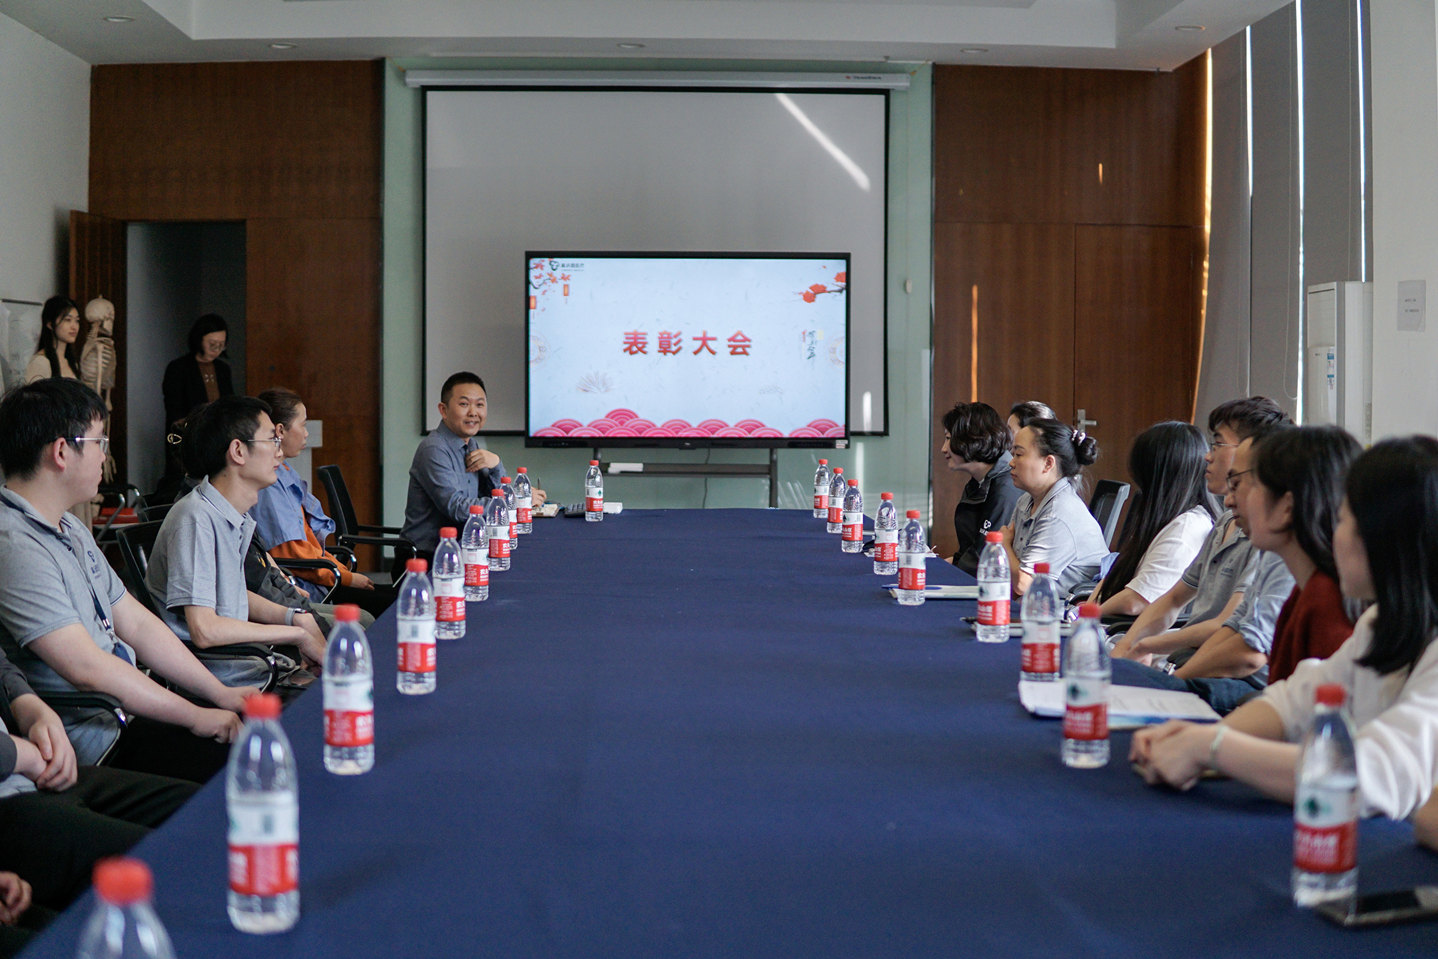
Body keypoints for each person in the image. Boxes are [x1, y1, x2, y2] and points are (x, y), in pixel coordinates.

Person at [1131, 437, 1438, 830]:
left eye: (1344, 520)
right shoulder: (1381, 622)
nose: (1336, 533)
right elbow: (1295, 701)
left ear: (1385, 535)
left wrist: (1213, 747)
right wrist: (1196, 739)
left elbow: (1368, 776)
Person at [0, 379, 252, 782]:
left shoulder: (69, 526)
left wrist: (217, 693)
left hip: (128, 710)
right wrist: (195, 716)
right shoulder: (14, 544)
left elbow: (136, 624)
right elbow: (86, 668)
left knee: (253, 739)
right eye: (99, 442)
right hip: (91, 737)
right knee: (242, 765)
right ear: (61, 452)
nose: (106, 456)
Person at [0, 648, 196, 956]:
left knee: (198, 815)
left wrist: (33, 708)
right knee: (170, 867)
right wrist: (24, 756)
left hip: (36, 771)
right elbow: (86, 667)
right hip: (15, 790)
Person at [146, 395, 328, 680]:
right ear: (238, 451)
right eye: (272, 439)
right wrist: (295, 634)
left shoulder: (229, 513)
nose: (279, 451)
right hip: (227, 681)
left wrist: (294, 618)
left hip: (252, 664)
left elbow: (227, 594)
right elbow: (204, 630)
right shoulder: (196, 518)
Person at [1112, 397, 1290, 665]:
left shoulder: (1266, 539)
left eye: (1217, 444)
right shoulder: (1224, 524)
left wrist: (1146, 646)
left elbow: (1230, 632)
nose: (1207, 456)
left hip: (1213, 670)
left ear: (1251, 451)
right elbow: (1173, 599)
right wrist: (1127, 646)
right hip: (1188, 661)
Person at [251, 388, 394, 617]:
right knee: (393, 606)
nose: (306, 433)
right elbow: (294, 553)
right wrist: (346, 577)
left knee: (395, 599)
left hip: (322, 576)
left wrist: (342, 572)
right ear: (280, 431)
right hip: (309, 586)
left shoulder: (284, 471)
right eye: (303, 425)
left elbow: (308, 545)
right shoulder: (270, 484)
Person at [402, 371, 547, 563]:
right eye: (464, 404)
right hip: (428, 559)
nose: (473, 412)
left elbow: (492, 494)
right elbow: (456, 508)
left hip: (464, 550)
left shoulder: (471, 444)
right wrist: (514, 502)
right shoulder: (434, 449)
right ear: (443, 410)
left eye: (479, 405)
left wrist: (496, 465)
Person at [1085, 422, 1217, 617]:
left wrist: (1087, 616)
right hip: (1113, 625)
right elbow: (1116, 576)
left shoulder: (1186, 529)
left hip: (1126, 631)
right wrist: (1085, 610)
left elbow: (1136, 602)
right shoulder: (1166, 518)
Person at [998, 418, 1108, 597]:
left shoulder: (1059, 513)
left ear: (1048, 464)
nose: (1011, 462)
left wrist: (1003, 544)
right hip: (1031, 603)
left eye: (1018, 454)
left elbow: (1024, 583)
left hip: (1062, 609)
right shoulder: (1026, 500)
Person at [939, 401, 1021, 575]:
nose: (943, 449)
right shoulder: (978, 482)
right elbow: (970, 551)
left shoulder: (1006, 488)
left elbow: (986, 558)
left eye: (948, 439)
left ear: (972, 439)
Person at [22, 297, 80, 384]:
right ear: (50, 324)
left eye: (77, 321)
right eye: (68, 320)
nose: (74, 327)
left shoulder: (72, 362)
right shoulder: (41, 362)